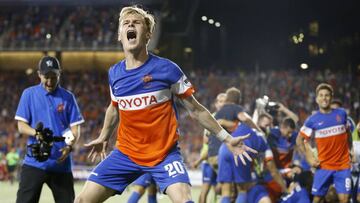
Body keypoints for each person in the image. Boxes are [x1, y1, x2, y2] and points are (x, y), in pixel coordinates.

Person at [75, 6, 255, 203]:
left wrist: (227, 138)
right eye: (125, 23)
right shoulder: (114, 74)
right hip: (125, 154)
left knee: (185, 201)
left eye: (136, 23)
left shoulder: (167, 69)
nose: (130, 25)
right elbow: (114, 107)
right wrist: (103, 136)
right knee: (82, 200)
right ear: (120, 35)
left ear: (148, 35)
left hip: (164, 155)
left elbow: (196, 110)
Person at [15, 56, 84, 203]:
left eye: (54, 77)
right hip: (34, 162)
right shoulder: (28, 94)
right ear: (39, 74)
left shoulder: (68, 97)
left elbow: (75, 129)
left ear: (60, 74)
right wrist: (37, 133)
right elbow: (21, 126)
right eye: (46, 77)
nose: (50, 81)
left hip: (61, 164)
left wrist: (69, 147)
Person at [296, 83, 352, 203]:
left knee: (345, 199)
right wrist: (308, 158)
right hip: (324, 166)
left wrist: (350, 149)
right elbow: (299, 140)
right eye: (321, 95)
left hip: (343, 166)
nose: (324, 98)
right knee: (317, 199)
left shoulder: (341, 113)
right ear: (317, 99)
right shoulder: (312, 120)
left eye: (327, 95)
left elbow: (348, 133)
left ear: (331, 97)